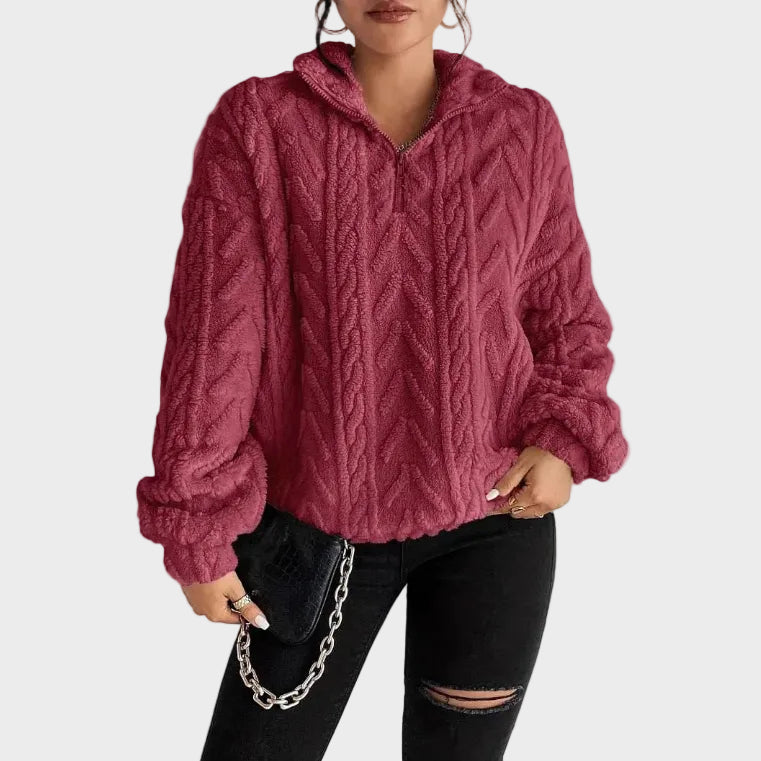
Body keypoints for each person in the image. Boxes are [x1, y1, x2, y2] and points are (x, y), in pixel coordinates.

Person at [136, 1, 629, 758]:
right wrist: (197, 526)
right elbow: (213, 343)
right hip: (314, 535)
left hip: (495, 520)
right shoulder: (259, 124)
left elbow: (563, 313)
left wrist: (562, 438)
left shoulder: (520, 126)